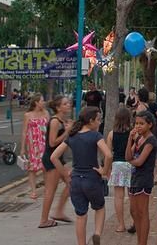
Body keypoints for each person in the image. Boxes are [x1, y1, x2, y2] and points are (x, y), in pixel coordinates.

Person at [51, 106, 112, 245]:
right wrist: (104, 171)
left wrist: (66, 175)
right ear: (91, 121)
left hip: (76, 180)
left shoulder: (72, 136)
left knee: (80, 215)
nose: (100, 122)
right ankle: (97, 233)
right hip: (92, 179)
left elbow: (54, 157)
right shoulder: (95, 136)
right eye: (98, 119)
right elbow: (108, 154)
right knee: (100, 208)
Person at [39, 95, 73, 228]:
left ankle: (59, 211)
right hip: (51, 158)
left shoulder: (61, 120)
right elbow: (52, 142)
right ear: (58, 107)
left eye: (68, 103)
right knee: (50, 190)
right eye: (65, 104)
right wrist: (67, 132)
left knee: (72, 182)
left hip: (59, 158)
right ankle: (43, 220)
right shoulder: (54, 121)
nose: (68, 105)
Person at [126, 111, 157, 245]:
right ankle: (139, 239)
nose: (138, 126)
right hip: (134, 177)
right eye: (136, 123)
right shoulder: (139, 138)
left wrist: (131, 161)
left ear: (149, 125)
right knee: (133, 211)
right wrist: (130, 139)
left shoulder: (151, 140)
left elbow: (139, 161)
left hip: (144, 178)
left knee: (142, 211)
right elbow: (128, 156)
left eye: (141, 124)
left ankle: (143, 242)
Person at [106, 106, 133, 233]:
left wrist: (107, 169)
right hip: (131, 164)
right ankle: (135, 222)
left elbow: (108, 154)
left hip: (117, 164)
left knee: (118, 197)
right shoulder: (133, 132)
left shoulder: (111, 134)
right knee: (133, 195)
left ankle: (121, 224)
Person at [20, 94, 49, 199]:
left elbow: (49, 129)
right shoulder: (28, 115)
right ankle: (33, 191)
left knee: (45, 167)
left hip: (44, 142)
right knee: (32, 168)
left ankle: (47, 189)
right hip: (33, 144)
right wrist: (23, 148)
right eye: (42, 100)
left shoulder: (46, 113)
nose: (43, 102)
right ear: (36, 102)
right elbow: (24, 132)